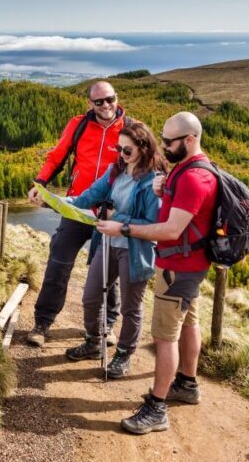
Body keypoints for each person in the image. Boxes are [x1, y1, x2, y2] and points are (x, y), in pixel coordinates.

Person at [97, 112, 218, 434]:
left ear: (190, 139)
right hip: (190, 267)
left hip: (178, 270)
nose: (163, 147)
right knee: (189, 324)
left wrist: (123, 229)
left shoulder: (193, 177)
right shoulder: (192, 170)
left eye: (169, 141)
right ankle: (187, 385)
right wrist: (165, 193)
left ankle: (157, 407)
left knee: (164, 338)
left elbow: (170, 231)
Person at [26, 81, 131, 346]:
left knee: (108, 272)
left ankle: (105, 327)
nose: (106, 105)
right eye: (99, 102)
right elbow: (57, 156)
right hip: (78, 206)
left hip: (110, 213)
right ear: (90, 104)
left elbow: (145, 167)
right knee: (59, 262)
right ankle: (43, 322)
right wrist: (40, 184)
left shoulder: (130, 129)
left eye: (110, 99)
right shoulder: (79, 125)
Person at [63, 122, 165, 378]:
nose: (121, 154)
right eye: (118, 148)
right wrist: (52, 201)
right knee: (91, 296)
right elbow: (86, 198)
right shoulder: (114, 171)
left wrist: (119, 220)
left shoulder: (153, 182)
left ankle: (123, 354)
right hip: (107, 244)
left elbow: (153, 223)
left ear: (143, 147)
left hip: (135, 250)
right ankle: (94, 341)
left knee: (131, 307)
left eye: (127, 150)